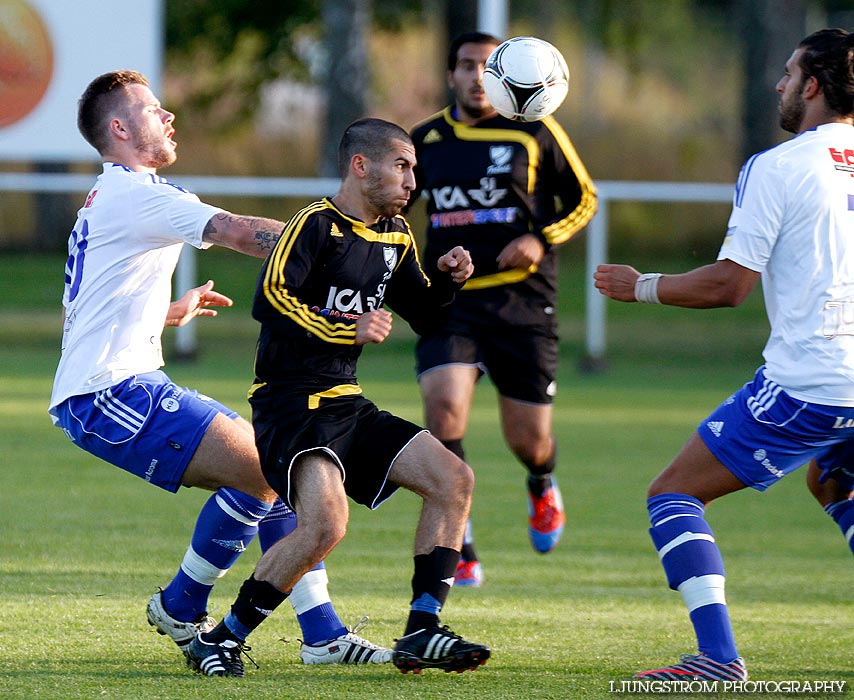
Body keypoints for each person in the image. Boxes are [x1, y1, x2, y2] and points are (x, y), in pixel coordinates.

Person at [48, 70, 391, 669]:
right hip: (110, 392)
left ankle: (322, 634)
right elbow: (239, 231)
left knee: (277, 466)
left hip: (119, 385)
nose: (169, 116)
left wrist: (167, 311)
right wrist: (343, 243)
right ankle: (183, 607)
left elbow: (84, 303)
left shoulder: (119, 194)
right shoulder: (136, 194)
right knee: (266, 469)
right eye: (154, 109)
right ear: (121, 128)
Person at [182, 117, 490, 678]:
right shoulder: (314, 225)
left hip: (345, 403)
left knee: (454, 480)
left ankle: (422, 629)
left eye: (414, 169)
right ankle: (222, 639)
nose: (412, 181)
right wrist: (346, 329)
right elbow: (271, 299)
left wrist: (448, 281)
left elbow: (422, 313)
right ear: (360, 165)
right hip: (288, 404)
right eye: (402, 166)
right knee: (326, 525)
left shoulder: (396, 235)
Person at [593, 28, 854, 681]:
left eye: (790, 73)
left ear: (814, 86)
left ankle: (716, 657)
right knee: (834, 480)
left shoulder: (780, 164)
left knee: (673, 493)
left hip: (815, 380)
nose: (780, 84)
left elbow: (728, 286)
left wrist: (640, 286)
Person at [408, 32, 598, 585]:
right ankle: (458, 534)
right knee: (443, 410)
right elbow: (391, 207)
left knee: (528, 440)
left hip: (522, 302)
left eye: (486, 66)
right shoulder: (425, 141)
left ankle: (541, 481)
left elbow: (583, 199)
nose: (475, 76)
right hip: (450, 302)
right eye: (466, 66)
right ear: (452, 76)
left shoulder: (535, 130)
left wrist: (541, 237)